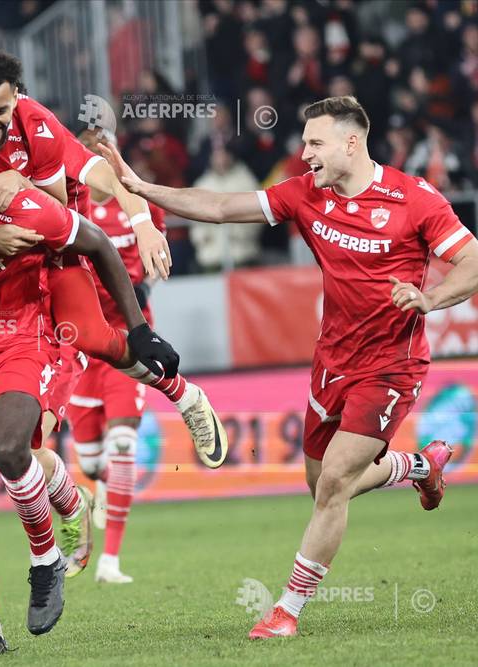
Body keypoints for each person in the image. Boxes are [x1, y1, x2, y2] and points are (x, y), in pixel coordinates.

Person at [101, 95, 478, 639]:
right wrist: (142, 188)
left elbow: (470, 263)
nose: (304, 154)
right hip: (331, 359)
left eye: (315, 143)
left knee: (334, 486)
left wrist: (430, 300)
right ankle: (419, 467)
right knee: (320, 482)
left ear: (352, 142)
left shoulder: (414, 199)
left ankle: (286, 611)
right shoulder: (306, 193)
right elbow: (224, 207)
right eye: (304, 143)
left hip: (391, 364)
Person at [0, 48, 224, 539]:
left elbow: (54, 214)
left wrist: (138, 218)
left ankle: (185, 396)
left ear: (18, 99)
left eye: (0, 112)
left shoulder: (39, 127)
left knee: (95, 336)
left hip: (40, 250)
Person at [0, 160, 178, 657]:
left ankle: (47, 556)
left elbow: (96, 242)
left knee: (11, 451)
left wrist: (138, 330)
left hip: (26, 340)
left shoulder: (26, 210)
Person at [64, 127, 169, 584]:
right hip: (82, 345)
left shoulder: (139, 204)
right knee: (89, 462)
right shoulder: (68, 207)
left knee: (122, 444)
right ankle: (99, 487)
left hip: (127, 337)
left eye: (106, 155)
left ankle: (110, 561)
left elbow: (158, 249)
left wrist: (152, 269)